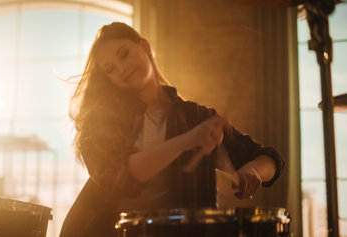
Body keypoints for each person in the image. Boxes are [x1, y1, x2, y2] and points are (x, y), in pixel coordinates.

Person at [60, 22, 284, 237]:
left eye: (124, 54)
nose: (122, 68)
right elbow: (121, 176)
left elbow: (271, 159)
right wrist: (186, 141)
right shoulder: (105, 120)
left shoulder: (196, 117)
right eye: (110, 69)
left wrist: (253, 170)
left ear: (145, 46)